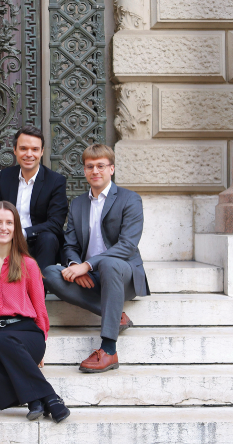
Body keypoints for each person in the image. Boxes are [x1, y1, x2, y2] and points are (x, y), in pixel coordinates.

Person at [43, 144, 150, 373]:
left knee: (109, 263)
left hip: (122, 274)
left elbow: (127, 245)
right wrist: (75, 266)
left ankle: (109, 349)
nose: (95, 171)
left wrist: (88, 264)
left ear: (111, 169)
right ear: (84, 171)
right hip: (90, 275)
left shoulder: (130, 199)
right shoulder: (78, 203)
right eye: (90, 166)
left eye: (101, 166)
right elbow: (70, 245)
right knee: (50, 272)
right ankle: (115, 315)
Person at [0, 201, 70, 424]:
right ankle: (37, 399)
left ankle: (48, 397)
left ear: (16, 227)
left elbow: (39, 307)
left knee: (1, 340)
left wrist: (42, 341)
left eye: (9, 223)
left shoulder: (28, 264)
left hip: (26, 334)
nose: (4, 228)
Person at [0, 124, 68, 333]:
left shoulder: (55, 181)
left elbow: (55, 223)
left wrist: (22, 233)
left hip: (36, 243)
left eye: (34, 149)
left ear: (42, 152)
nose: (29, 154)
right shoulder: (6, 176)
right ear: (15, 151)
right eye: (23, 148)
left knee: (49, 238)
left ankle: (34, 311)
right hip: (4, 242)